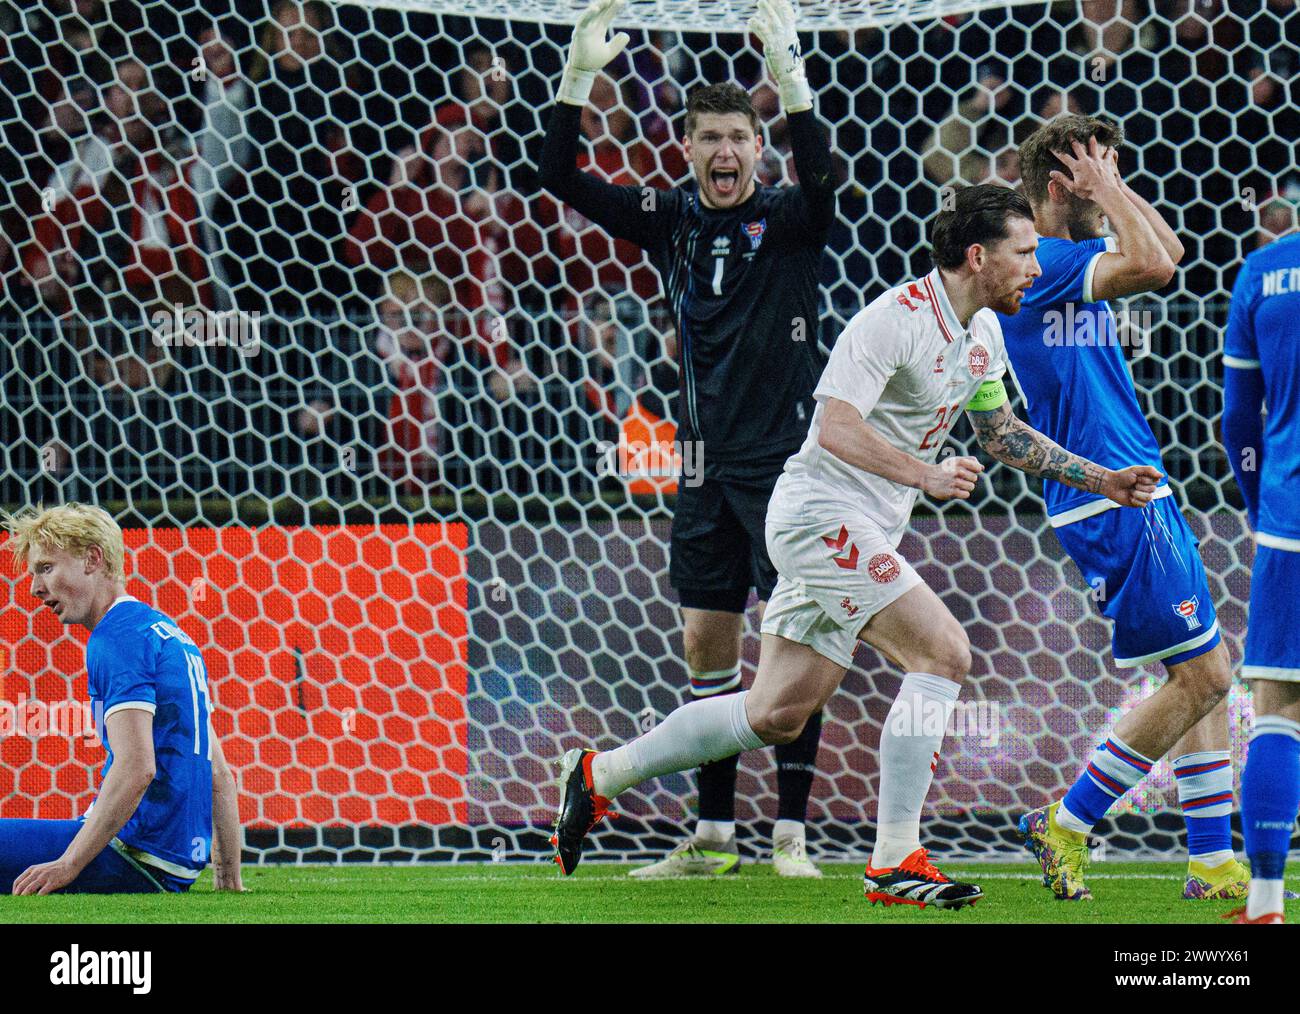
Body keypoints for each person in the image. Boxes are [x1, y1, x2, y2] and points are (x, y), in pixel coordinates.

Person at [553, 184, 1162, 908]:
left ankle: (598, 775)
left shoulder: (983, 336)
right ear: (978, 257)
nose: (1036, 267)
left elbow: (999, 436)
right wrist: (926, 474)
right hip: (819, 515)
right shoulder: (892, 321)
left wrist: (1104, 478)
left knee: (775, 712)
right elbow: (836, 426)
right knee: (944, 652)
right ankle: (896, 858)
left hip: (856, 526)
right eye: (1024, 253)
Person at [537, 0, 835, 877]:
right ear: (689, 148)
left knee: (789, 657)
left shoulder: (786, 219)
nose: (723, 152)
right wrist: (577, 75)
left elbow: (825, 184)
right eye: (707, 137)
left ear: (758, 144)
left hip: (786, 475)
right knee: (708, 654)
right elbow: (560, 174)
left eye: (737, 136)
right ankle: (712, 840)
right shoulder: (672, 219)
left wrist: (791, 76)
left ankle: (792, 837)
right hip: (701, 473)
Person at [1001, 115, 1246, 901]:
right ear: (1058, 186)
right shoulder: (1046, 263)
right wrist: (1104, 190)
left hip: (1131, 486)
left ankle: (1210, 860)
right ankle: (1067, 821)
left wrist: (1110, 184)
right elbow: (1157, 264)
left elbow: (1167, 252)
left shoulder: (1072, 254)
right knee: (1205, 673)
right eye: (1098, 175)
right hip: (1109, 495)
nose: (1111, 190)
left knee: (1200, 670)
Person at [0, 503, 242, 894]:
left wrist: (68, 865)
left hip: (132, 853)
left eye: (46, 568)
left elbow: (137, 768)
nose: (34, 588)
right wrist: (228, 880)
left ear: (92, 558)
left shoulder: (116, 638)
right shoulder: (170, 633)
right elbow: (219, 775)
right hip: (174, 863)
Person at [1220, 229, 1300, 924]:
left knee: (1280, 708)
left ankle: (1266, 903)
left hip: (1290, 522)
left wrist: (1258, 504)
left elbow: (1238, 417)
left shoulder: (1267, 268)